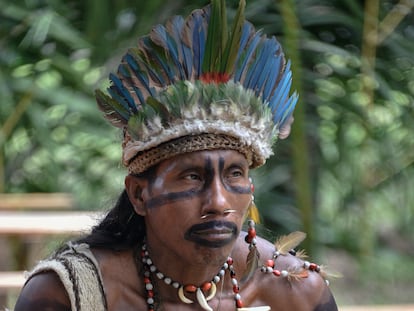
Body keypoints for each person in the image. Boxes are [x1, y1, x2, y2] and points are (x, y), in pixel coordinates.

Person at [14, 0, 338, 310]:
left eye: (235, 174)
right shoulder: (66, 296)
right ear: (139, 195)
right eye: (192, 176)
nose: (219, 202)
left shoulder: (297, 292)